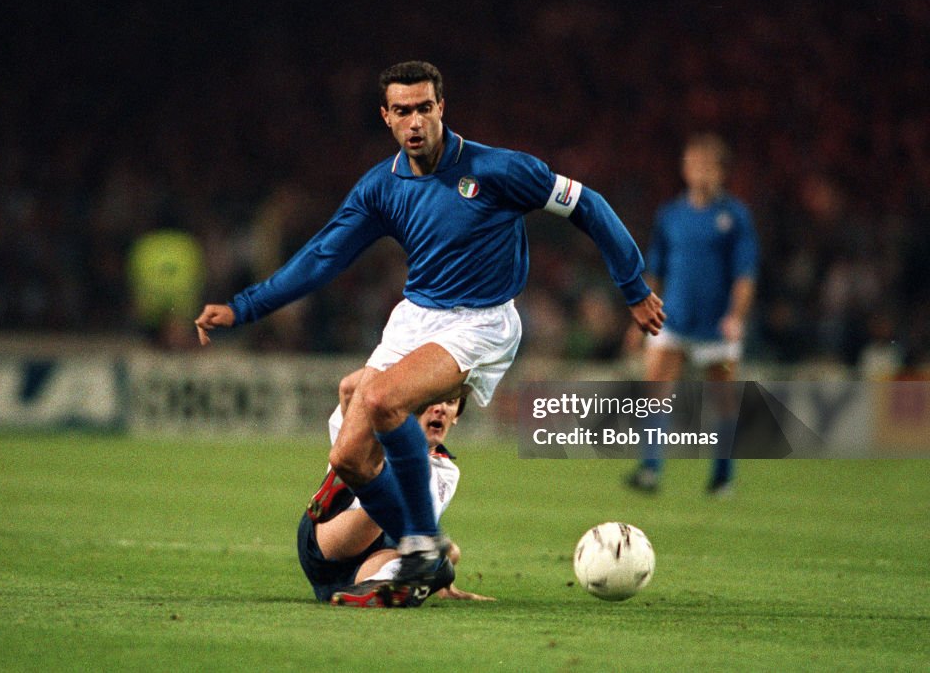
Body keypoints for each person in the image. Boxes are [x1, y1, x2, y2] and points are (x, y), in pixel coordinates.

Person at [196, 60, 665, 601]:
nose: (415, 120)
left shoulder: (498, 170)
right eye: (402, 111)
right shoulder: (382, 186)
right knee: (348, 455)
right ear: (386, 117)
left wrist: (632, 286)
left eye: (424, 107)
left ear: (441, 108)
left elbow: (590, 206)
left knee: (381, 400)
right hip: (415, 316)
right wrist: (245, 308)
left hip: (481, 321)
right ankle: (424, 553)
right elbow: (323, 256)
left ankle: (420, 544)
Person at [625, 133, 759, 495]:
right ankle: (650, 469)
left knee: (722, 399)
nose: (698, 172)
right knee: (656, 389)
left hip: (717, 323)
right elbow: (656, 269)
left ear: (720, 171)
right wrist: (642, 314)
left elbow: (745, 274)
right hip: (675, 318)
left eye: (706, 166)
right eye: (692, 164)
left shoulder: (734, 216)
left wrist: (736, 317)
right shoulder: (670, 215)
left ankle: (722, 476)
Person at [299, 375, 494, 607]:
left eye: (450, 403)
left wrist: (441, 576)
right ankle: (353, 475)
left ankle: (378, 587)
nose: (441, 409)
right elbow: (349, 389)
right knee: (389, 493)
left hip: (358, 573)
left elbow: (417, 535)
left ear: (457, 417)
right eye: (433, 401)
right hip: (333, 535)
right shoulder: (373, 420)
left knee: (441, 555)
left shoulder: (446, 472)